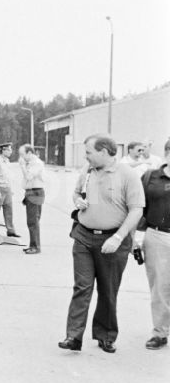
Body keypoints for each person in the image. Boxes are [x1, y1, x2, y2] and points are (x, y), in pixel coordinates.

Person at [58, 135, 145, 353]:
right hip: (84, 237)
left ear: (104, 151)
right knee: (82, 287)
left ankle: (105, 335)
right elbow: (77, 192)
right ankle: (73, 336)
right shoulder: (87, 171)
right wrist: (77, 200)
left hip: (113, 240)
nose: (85, 156)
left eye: (89, 152)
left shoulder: (127, 175)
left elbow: (137, 209)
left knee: (108, 290)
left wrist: (118, 237)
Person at [133, 137, 170, 350]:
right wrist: (136, 238)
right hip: (158, 236)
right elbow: (139, 208)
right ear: (167, 152)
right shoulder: (151, 177)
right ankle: (160, 331)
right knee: (160, 287)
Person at [18, 144, 45, 254]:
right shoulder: (30, 163)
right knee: (31, 221)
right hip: (31, 192)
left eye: (22, 154)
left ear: (29, 153)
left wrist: (22, 166)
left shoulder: (37, 163)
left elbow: (29, 176)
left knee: (33, 221)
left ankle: (35, 246)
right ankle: (32, 244)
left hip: (35, 192)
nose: (21, 157)